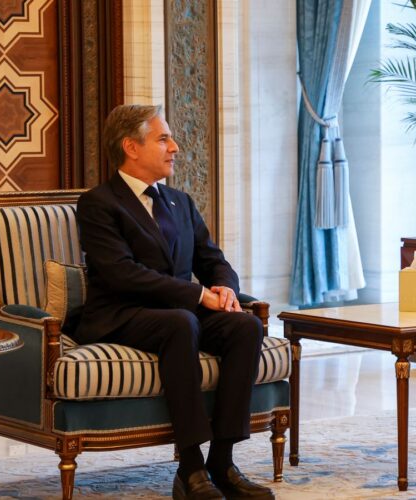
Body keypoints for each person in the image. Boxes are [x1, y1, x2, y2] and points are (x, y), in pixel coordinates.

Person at [75, 104, 273, 500]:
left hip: (181, 312)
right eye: (163, 138)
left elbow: (212, 259)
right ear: (131, 147)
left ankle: (222, 461)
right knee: (181, 322)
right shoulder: (99, 203)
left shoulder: (179, 201)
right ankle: (191, 467)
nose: (175, 147)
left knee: (245, 325)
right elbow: (122, 274)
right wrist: (199, 294)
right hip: (121, 312)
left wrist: (224, 288)